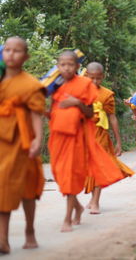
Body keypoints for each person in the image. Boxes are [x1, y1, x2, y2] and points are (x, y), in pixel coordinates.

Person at [48, 50, 123, 232]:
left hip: (79, 136)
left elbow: (90, 113)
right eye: (63, 65)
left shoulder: (84, 85)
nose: (66, 68)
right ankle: (78, 207)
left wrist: (76, 103)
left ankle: (68, 218)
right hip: (58, 137)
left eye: (70, 64)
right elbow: (52, 111)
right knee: (59, 175)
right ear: (57, 67)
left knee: (71, 174)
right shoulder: (54, 86)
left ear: (78, 67)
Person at [0, 37, 45, 253]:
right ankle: (3, 239)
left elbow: (37, 115)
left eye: (17, 51)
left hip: (23, 141)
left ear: (25, 56)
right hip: (2, 142)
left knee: (27, 189)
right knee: (2, 187)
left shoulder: (31, 84)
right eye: (7, 50)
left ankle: (30, 230)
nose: (11, 54)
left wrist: (38, 139)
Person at [84, 62, 134, 214]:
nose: (95, 82)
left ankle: (95, 201)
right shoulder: (80, 92)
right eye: (92, 78)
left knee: (99, 166)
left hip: (101, 135)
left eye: (98, 78)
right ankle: (92, 198)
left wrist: (118, 141)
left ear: (102, 77)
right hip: (85, 134)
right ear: (86, 76)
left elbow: (112, 118)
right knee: (89, 168)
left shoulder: (106, 94)